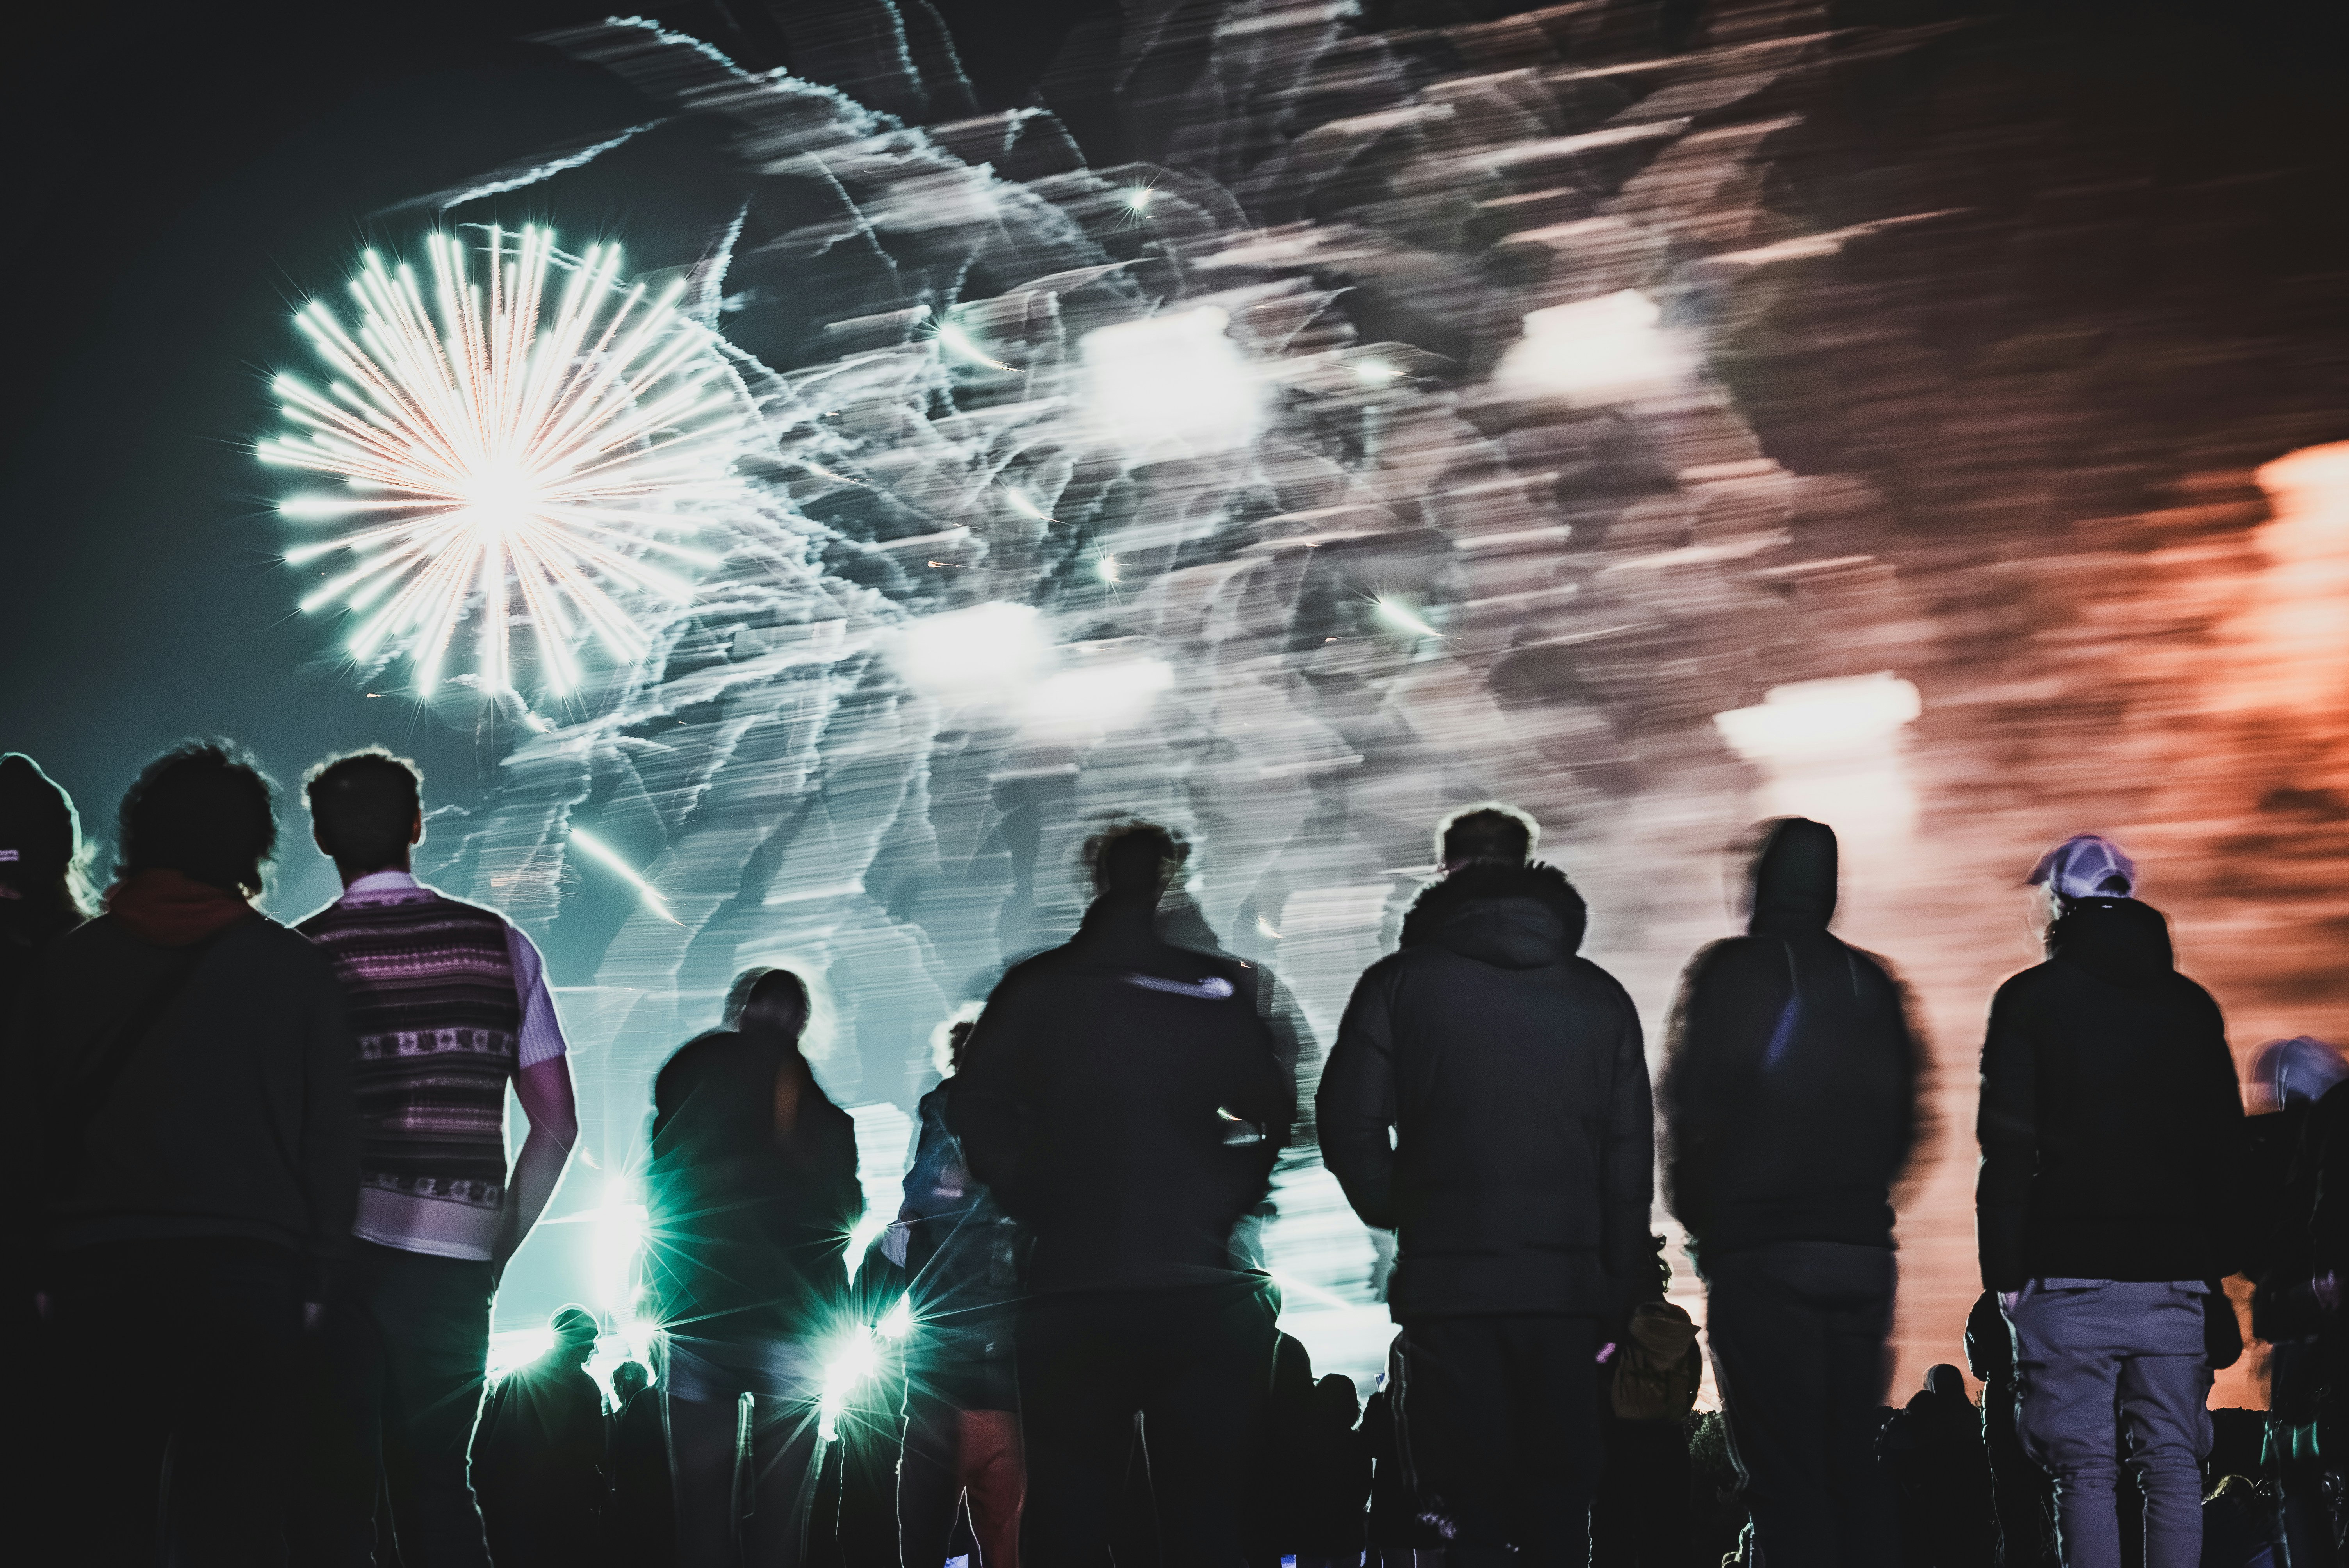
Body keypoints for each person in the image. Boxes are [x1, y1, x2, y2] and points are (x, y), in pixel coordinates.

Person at [22, 740, 358, 1564]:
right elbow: (331, 1142)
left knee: (101, 1512)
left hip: (97, 1270)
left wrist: (34, 1267)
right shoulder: (297, 971)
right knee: (236, 1518)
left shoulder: (69, 967)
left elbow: (24, 1135)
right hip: (252, 1275)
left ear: (139, 833)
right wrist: (318, 1277)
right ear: (252, 845)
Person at [1318, 804, 1652, 1567]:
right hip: (1567, 1293)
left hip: (1450, 1284)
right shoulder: (1598, 997)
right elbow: (1627, 1163)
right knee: (1561, 1501)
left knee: (1455, 1501)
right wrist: (1618, 1284)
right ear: (1529, 864)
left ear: (1447, 870)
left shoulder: (1398, 984)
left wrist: (1401, 1206)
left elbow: (1346, 1123)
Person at [952, 819, 1290, 1568]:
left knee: (1069, 1514)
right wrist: (1228, 1197)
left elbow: (974, 1102)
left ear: (1094, 878)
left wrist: (1026, 1192)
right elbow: (1272, 1106)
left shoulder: (1039, 988)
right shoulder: (1213, 989)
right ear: (1171, 878)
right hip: (1197, 1280)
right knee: (1204, 1515)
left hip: (1073, 1275)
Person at [294, 747, 579, 1566]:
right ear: (419, 825)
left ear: (320, 837)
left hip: (339, 1261)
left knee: (337, 1490)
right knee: (438, 1486)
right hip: (456, 1260)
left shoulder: (299, 957)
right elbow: (556, 1125)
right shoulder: (502, 945)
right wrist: (493, 1245)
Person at [1660, 816, 1925, 1567]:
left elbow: (1688, 1102)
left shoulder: (1725, 972)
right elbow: (1911, 1117)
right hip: (1858, 1248)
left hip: (1759, 1251)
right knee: (1850, 1461)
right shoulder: (1871, 981)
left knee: (1782, 1474)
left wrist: (1703, 1219)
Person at [1978, 833, 2244, 1568]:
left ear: (2060, 903)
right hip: (2173, 1271)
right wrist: (2214, 1267)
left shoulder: (2027, 1000)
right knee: (2172, 1465)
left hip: (2063, 1271)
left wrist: (2004, 1275)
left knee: (2083, 1472)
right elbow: (2224, 1151)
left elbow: (2005, 1151)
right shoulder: (2192, 1008)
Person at [649, 966, 863, 1568]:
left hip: (701, 1315)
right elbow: (844, 1217)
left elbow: (663, 1196)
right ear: (800, 1022)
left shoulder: (686, 1087)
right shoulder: (825, 1120)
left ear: (740, 1009)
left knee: (700, 1516)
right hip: (793, 1327)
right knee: (781, 1523)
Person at [895, 1017, 1026, 1568]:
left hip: (937, 1374)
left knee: (923, 1541)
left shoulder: (939, 1114)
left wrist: (862, 1302)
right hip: (1011, 1374)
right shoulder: (1031, 1124)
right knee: (1006, 1542)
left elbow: (910, 1217)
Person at [471, 1304, 608, 1568]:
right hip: (561, 1511)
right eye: (590, 1339)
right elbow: (594, 1452)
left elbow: (487, 1441)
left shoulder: (516, 1376)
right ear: (572, 1338)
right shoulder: (585, 1387)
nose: (594, 1348)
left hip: (510, 1508)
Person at [1966, 1290, 2056, 1568]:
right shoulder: (2056, 1294)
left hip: (2003, 1421)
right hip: (2052, 1416)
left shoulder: (1986, 1305)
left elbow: (1978, 1368)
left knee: (2016, 1523)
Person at [1877, 1364, 1995, 1568]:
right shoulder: (1977, 1420)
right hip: (1975, 1515)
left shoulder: (1925, 1421)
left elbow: (1888, 1456)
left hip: (1934, 1512)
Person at [608, 1359, 675, 1568]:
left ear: (621, 1387)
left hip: (639, 1505)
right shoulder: (661, 1402)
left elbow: (622, 1467)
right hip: (663, 1501)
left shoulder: (625, 1414)